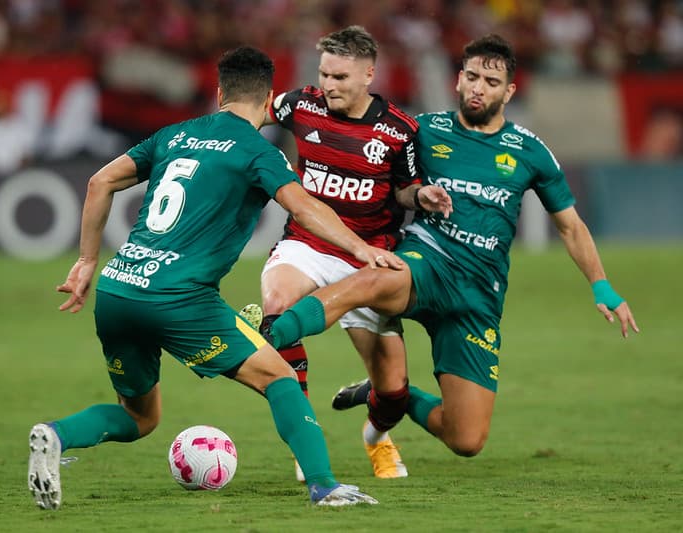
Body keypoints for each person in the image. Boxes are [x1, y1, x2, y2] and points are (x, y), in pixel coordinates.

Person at [26, 46, 404, 510]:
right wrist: (361, 248)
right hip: (180, 299)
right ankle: (324, 486)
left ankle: (57, 435)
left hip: (118, 288)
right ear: (269, 102)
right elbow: (304, 206)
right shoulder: (256, 152)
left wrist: (86, 261)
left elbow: (99, 182)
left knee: (140, 417)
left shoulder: (174, 134)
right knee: (281, 378)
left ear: (220, 92)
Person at [243, 34, 638, 462]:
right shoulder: (424, 130)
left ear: (509, 91)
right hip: (426, 261)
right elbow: (392, 180)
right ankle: (270, 330)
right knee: (373, 278)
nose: (477, 87)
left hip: (478, 295)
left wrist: (602, 286)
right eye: (470, 76)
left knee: (466, 439)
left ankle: (394, 396)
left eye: (490, 80)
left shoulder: (530, 152)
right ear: (458, 81)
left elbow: (571, 226)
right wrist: (414, 195)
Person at [255, 25, 423, 480]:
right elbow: (250, 112)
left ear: (369, 74)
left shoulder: (399, 130)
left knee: (394, 394)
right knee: (277, 306)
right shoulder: (302, 104)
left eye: (341, 77)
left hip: (367, 259)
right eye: (325, 74)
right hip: (307, 244)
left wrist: (422, 197)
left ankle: (376, 437)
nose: (328, 85)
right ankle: (305, 436)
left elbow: (407, 190)